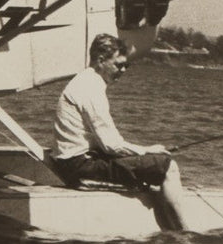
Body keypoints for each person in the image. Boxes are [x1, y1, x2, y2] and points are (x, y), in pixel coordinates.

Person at [53, 33, 189, 225]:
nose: (123, 70)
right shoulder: (90, 88)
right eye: (119, 65)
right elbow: (112, 146)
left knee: (150, 164)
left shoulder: (85, 80)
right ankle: (184, 233)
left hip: (73, 163)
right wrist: (147, 150)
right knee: (168, 166)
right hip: (80, 167)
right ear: (101, 60)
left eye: (126, 66)